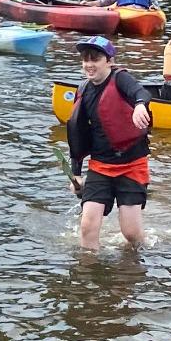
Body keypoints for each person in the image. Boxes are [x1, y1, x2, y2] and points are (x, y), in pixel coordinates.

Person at [66, 35, 152, 251]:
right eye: (85, 59)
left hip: (131, 165)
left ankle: (142, 254)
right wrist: (76, 172)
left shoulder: (121, 79)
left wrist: (140, 105)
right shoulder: (83, 89)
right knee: (87, 227)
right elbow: (77, 133)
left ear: (109, 61)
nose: (89, 65)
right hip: (100, 167)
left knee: (130, 233)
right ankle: (88, 274)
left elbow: (140, 93)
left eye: (95, 59)